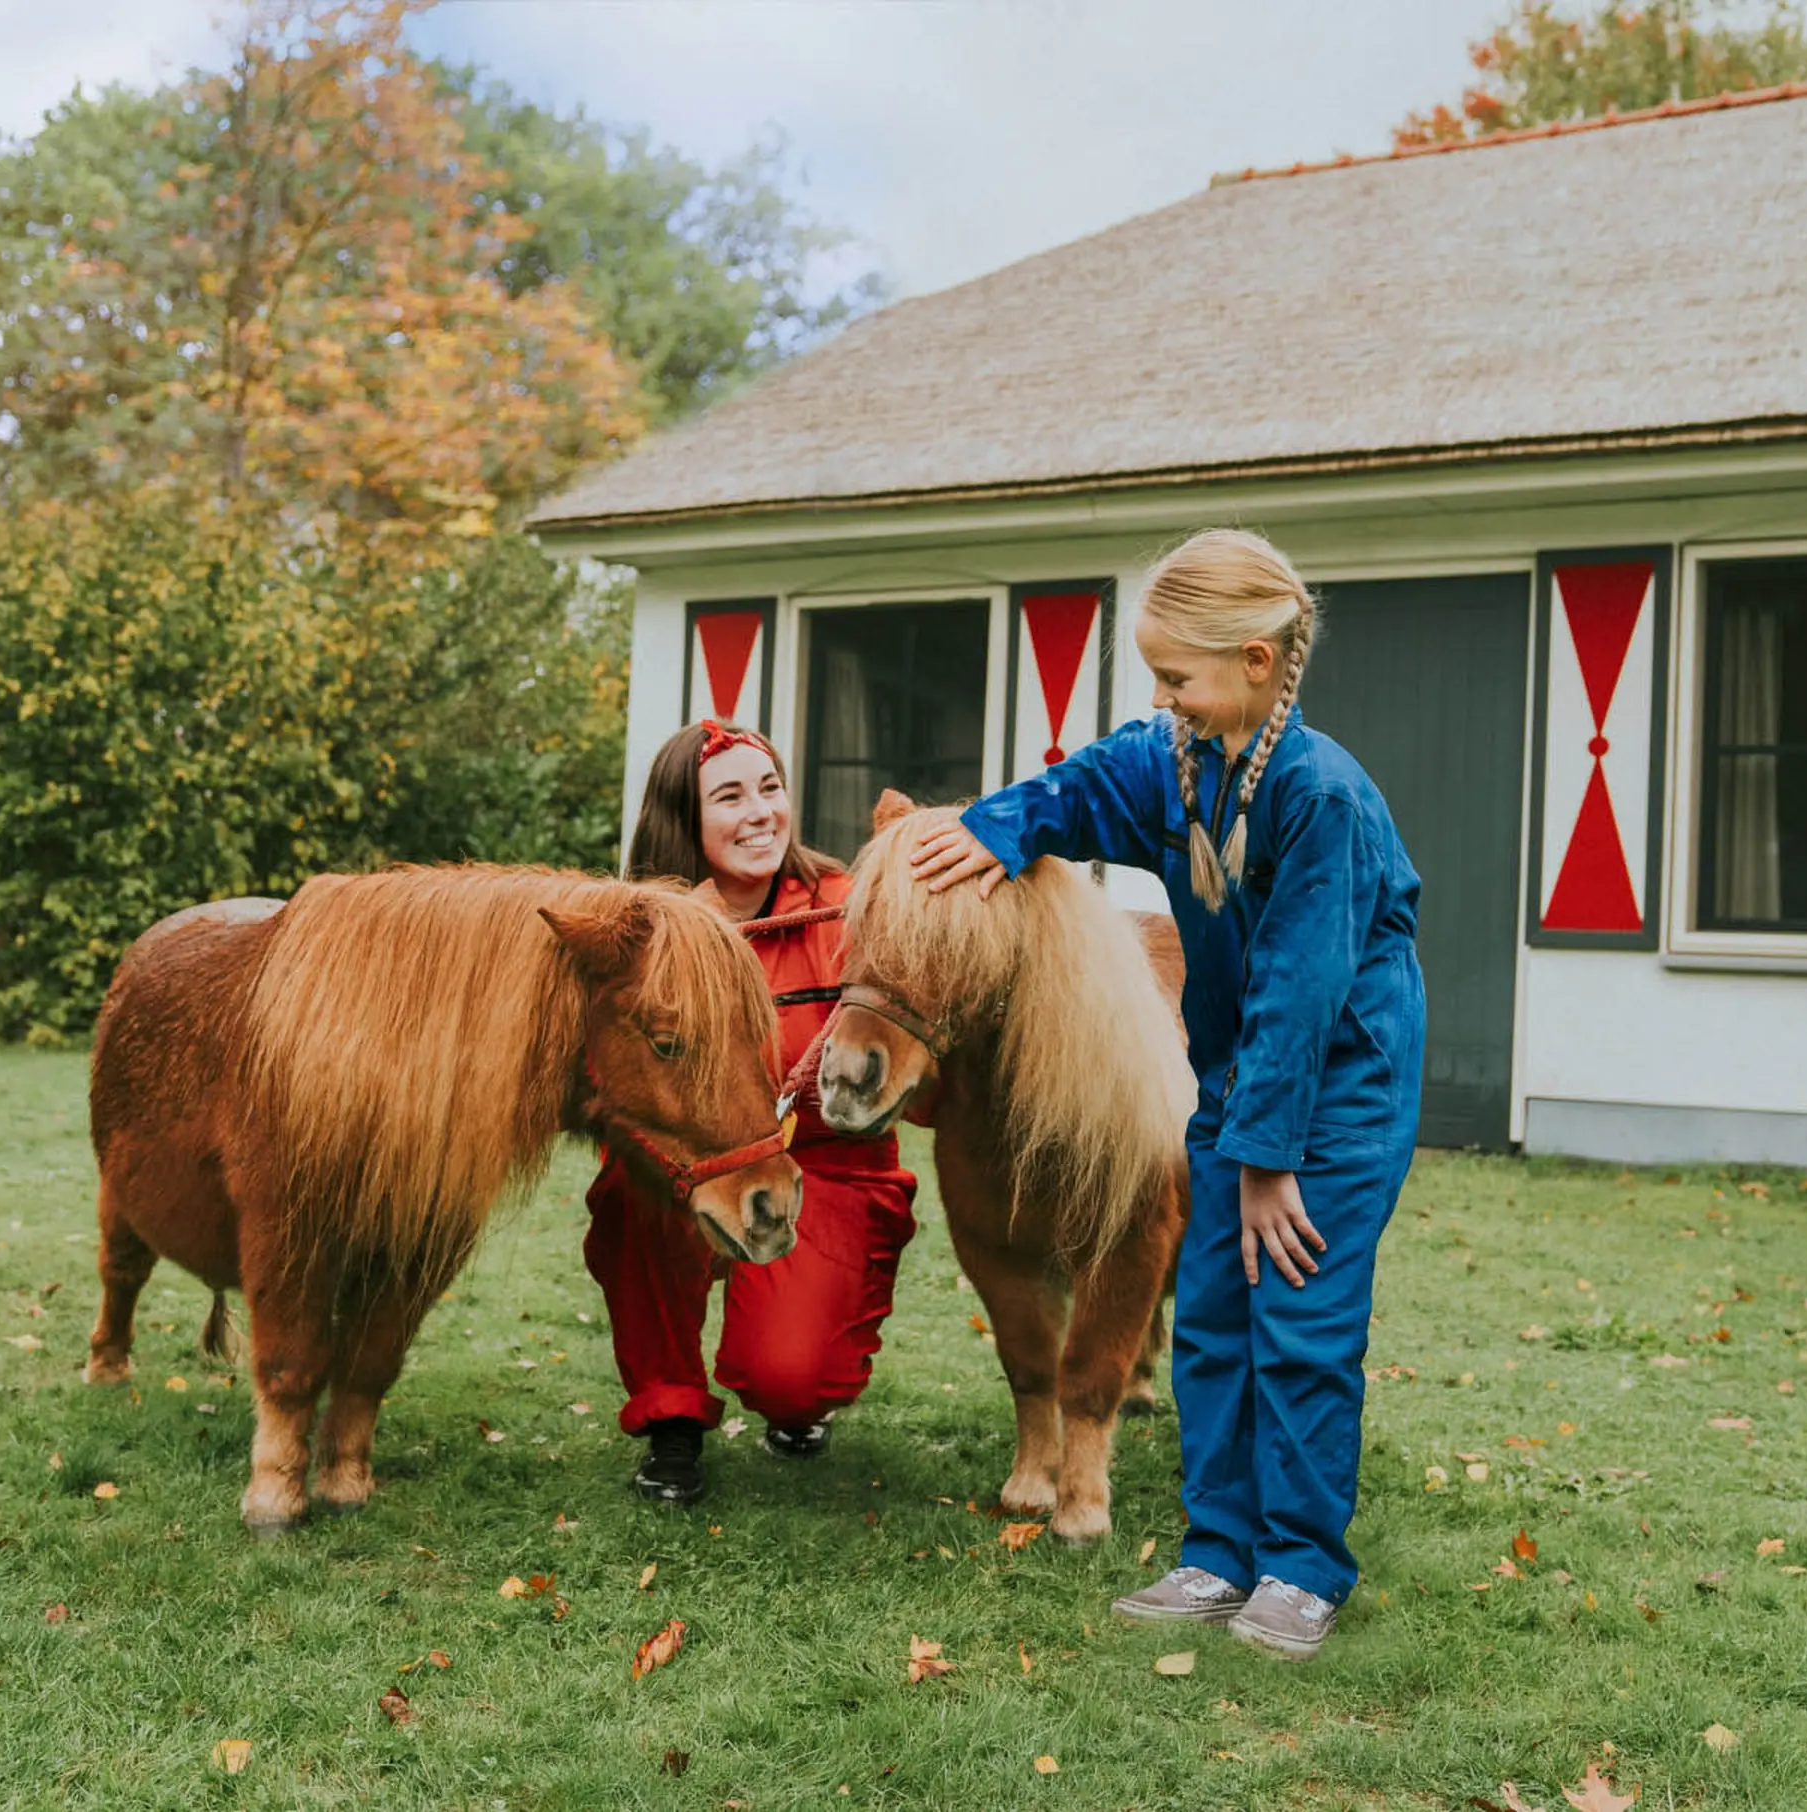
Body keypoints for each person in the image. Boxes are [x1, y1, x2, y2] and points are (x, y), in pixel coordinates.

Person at [904, 528, 1424, 1663]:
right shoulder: (1179, 759)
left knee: (1299, 1321)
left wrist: (1269, 1164)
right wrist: (990, 832)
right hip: (1240, 1079)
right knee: (1215, 1319)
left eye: (1175, 675)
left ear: (1254, 661)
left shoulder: (1320, 796)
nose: (1159, 696)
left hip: (1339, 1087)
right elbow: (1082, 787)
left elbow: (1303, 990)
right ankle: (1219, 1551)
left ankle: (1300, 1569)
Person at [585, 719, 921, 1505]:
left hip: (826, 1163)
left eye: (770, 788)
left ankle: (795, 1399)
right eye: (730, 797)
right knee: (633, 1187)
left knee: (793, 1381)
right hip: (692, 1161)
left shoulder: (846, 911)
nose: (761, 812)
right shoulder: (643, 933)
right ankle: (671, 1417)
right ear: (684, 819)